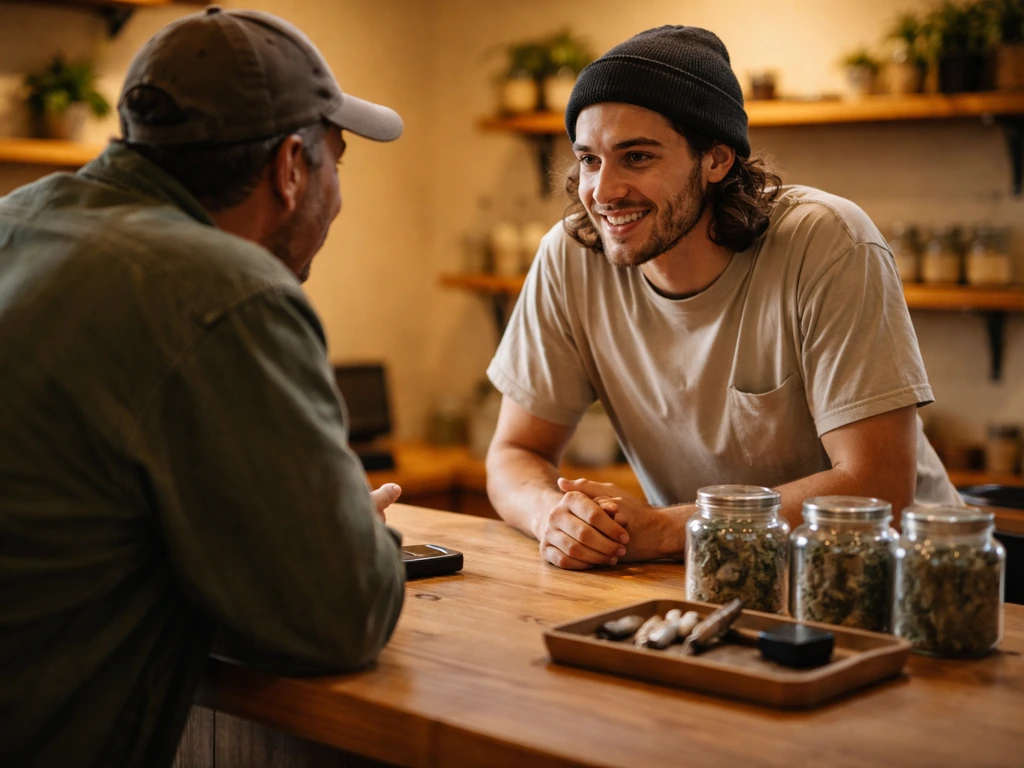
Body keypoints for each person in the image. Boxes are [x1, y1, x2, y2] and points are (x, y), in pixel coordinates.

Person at [0, 8, 407, 767]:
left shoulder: (16, 222)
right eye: (337, 161)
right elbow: (338, 613)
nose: (338, 197)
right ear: (291, 168)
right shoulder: (227, 292)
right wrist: (354, 524)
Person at [485, 25, 961, 571]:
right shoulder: (569, 257)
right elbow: (514, 454)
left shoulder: (828, 241)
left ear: (716, 160)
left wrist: (668, 527)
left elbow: (876, 488)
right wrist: (554, 517)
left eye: (636, 157)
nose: (603, 190)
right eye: (589, 158)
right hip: (721, 573)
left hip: (898, 579)